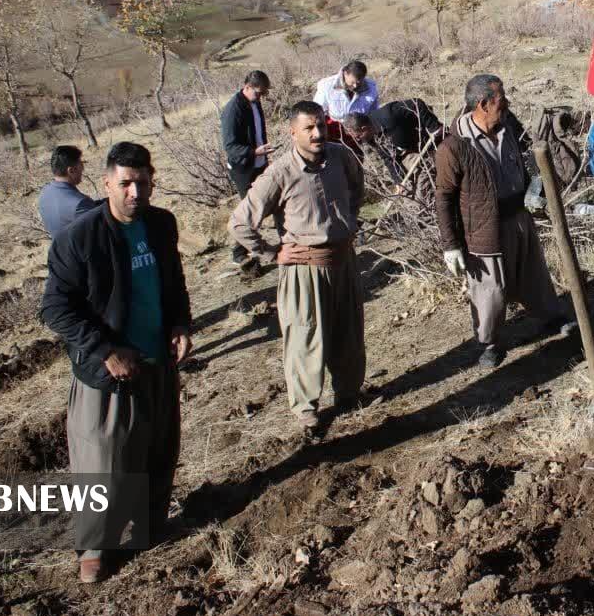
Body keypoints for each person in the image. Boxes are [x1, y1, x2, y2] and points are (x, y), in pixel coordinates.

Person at [40, 142, 193, 584]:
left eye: (142, 183)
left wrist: (181, 324)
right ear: (106, 182)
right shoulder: (80, 237)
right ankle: (95, 546)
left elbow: (174, 280)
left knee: (160, 450)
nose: (134, 192)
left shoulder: (161, 225)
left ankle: (151, 524)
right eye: (124, 183)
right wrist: (105, 350)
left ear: (152, 182)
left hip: (157, 363)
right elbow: (55, 309)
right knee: (103, 462)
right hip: (106, 375)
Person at [229, 101, 366, 431]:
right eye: (309, 128)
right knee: (306, 338)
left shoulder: (341, 156)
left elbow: (357, 189)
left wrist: (348, 221)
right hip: (304, 268)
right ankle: (307, 410)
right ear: (293, 133)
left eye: (320, 125)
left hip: (344, 260)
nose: (317, 133)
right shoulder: (279, 173)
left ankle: (349, 393)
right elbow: (240, 223)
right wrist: (272, 253)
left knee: (348, 332)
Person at [435, 75, 573, 369]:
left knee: (534, 274)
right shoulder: (454, 147)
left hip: (519, 217)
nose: (507, 102)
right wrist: (451, 245)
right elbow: (444, 197)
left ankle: (550, 318)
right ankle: (490, 343)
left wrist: (536, 186)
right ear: (483, 104)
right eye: (501, 98)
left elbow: (529, 157)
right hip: (483, 228)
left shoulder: (508, 126)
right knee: (490, 291)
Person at [220, 70, 281, 267]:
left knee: (266, 203)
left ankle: (244, 248)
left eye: (263, 93)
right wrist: (255, 151)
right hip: (244, 168)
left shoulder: (254, 102)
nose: (261, 96)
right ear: (247, 87)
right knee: (252, 208)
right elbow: (230, 147)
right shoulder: (233, 110)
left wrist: (263, 152)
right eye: (258, 92)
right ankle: (240, 252)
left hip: (260, 162)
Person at [345, 99, 444, 187]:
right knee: (411, 188)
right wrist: (399, 181)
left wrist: (433, 125)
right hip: (413, 150)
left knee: (426, 179)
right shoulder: (371, 138)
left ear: (364, 128)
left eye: (358, 137)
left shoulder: (389, 115)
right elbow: (389, 158)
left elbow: (417, 104)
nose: (358, 140)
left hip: (433, 142)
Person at [37, 145, 98, 238]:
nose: (83, 168)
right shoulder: (80, 203)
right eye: (81, 164)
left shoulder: (44, 194)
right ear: (71, 170)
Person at [314, 60, 379, 121]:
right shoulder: (326, 85)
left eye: (358, 83)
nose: (355, 86)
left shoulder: (371, 87)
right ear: (345, 74)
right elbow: (317, 112)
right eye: (352, 82)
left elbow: (374, 112)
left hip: (361, 127)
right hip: (335, 127)